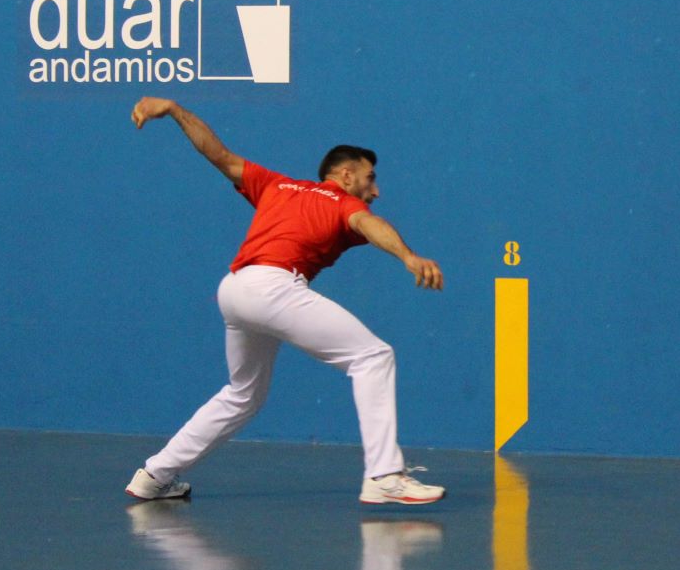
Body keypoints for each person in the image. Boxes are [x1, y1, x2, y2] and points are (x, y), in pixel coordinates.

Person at [122, 97, 446, 506]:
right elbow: (369, 223)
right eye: (369, 179)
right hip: (274, 287)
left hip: (236, 288)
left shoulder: (276, 185)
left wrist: (173, 110)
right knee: (373, 357)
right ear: (346, 176)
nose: (375, 190)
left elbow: (217, 154)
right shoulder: (345, 203)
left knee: (244, 393)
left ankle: (155, 475)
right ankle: (384, 475)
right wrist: (408, 256)